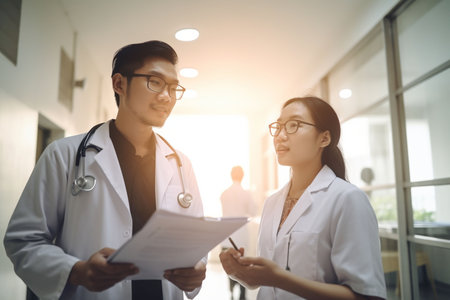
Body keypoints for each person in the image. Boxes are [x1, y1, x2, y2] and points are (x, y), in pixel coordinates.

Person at [4, 40, 206, 300]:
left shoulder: (180, 165)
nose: (167, 96)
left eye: (173, 87)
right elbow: (24, 241)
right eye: (155, 81)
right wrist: (77, 271)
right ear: (119, 84)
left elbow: (195, 244)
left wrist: (196, 269)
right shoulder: (64, 155)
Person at [220, 96, 386, 300]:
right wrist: (243, 274)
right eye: (278, 126)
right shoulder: (272, 203)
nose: (280, 136)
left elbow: (366, 295)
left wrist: (280, 279)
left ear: (324, 138)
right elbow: (268, 283)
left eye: (293, 125)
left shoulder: (347, 199)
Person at [220, 166, 256, 300]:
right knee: (242, 265)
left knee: (229, 266)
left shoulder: (224, 193)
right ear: (242, 176)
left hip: (227, 236)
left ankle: (231, 292)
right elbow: (253, 211)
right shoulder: (246, 194)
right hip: (241, 236)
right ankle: (242, 295)